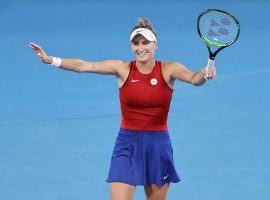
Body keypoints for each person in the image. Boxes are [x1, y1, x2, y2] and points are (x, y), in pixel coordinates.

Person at [29, 18, 216, 200]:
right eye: (136, 43)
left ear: (155, 45)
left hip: (157, 146)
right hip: (127, 145)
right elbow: (85, 66)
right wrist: (51, 60)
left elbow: (194, 79)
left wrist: (204, 74)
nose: (140, 48)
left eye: (145, 42)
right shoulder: (122, 68)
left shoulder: (169, 69)